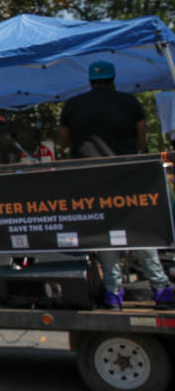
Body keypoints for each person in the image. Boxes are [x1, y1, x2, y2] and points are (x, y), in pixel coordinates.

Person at [60, 60, 174, 310]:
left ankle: (113, 293)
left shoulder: (73, 105)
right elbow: (142, 138)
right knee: (138, 229)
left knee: (105, 233)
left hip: (92, 178)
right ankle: (161, 287)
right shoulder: (129, 102)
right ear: (113, 79)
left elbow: (66, 140)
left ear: (90, 81)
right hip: (128, 176)